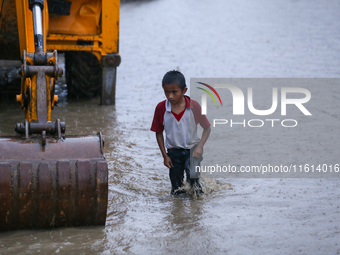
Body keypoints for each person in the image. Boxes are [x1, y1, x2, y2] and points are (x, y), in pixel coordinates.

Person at [150, 70, 211, 195]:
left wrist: (200, 147)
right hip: (173, 153)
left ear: (184, 91)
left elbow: (207, 128)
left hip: (193, 150)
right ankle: (178, 211)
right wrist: (165, 156)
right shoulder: (161, 108)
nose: (170, 96)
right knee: (176, 189)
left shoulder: (194, 106)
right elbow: (158, 132)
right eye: (167, 92)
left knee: (193, 180)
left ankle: (197, 206)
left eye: (174, 92)